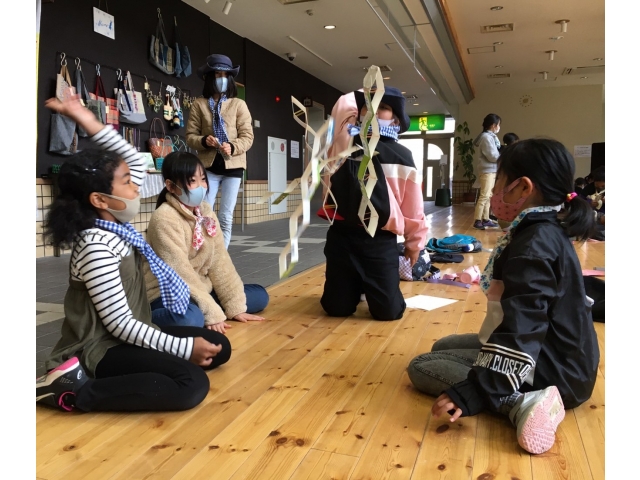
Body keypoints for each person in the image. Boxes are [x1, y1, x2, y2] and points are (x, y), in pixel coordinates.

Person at [36, 92, 231, 413]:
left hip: (132, 334)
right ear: (100, 200)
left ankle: (150, 365)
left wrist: (84, 117)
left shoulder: (117, 228)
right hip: (98, 348)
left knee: (219, 347)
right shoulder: (96, 245)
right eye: (127, 182)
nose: (137, 187)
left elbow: (130, 157)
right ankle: (69, 390)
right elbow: (119, 325)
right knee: (191, 384)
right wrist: (183, 349)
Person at [407, 138, 599, 455]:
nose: (495, 193)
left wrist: (477, 391)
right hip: (568, 358)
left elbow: (525, 328)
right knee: (443, 347)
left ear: (523, 188)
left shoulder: (534, 245)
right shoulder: (541, 226)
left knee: (423, 366)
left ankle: (521, 401)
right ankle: (512, 389)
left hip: (554, 371)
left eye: (499, 183)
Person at [319, 86, 428, 320]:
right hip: (341, 237)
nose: (374, 112)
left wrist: (414, 244)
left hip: (379, 241)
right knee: (335, 309)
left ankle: (371, 286)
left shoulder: (402, 156)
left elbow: (413, 207)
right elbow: (342, 104)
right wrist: (367, 89)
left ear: (396, 119)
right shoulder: (342, 145)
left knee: (388, 312)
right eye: (369, 105)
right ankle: (354, 286)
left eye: (384, 107)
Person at [145, 151, 269, 334]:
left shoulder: (206, 213)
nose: (201, 186)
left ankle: (205, 308)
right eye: (191, 181)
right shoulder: (164, 217)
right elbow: (180, 272)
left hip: (200, 289)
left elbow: (220, 260)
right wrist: (212, 312)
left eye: (202, 179)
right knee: (190, 318)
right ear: (171, 186)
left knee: (259, 296)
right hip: (166, 293)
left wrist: (235, 306)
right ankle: (144, 318)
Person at [186, 54, 254, 249]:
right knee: (204, 212)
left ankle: (220, 258)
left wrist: (232, 146)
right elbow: (190, 135)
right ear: (209, 77)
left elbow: (248, 137)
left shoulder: (238, 104)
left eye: (225, 75)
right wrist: (203, 141)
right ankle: (206, 251)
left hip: (233, 167)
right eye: (217, 74)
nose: (222, 78)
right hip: (208, 168)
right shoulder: (199, 104)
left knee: (225, 215)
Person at [472, 114, 502, 230]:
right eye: (498, 125)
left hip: (491, 169)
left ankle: (485, 219)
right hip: (487, 170)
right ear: (493, 125)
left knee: (488, 195)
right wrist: (502, 156)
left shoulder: (490, 137)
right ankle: (477, 220)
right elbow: (492, 156)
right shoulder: (486, 137)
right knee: (484, 195)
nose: (499, 127)